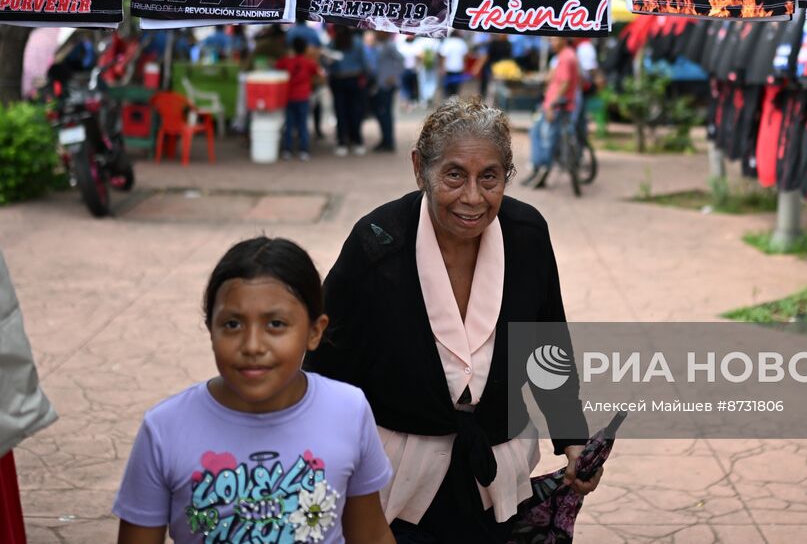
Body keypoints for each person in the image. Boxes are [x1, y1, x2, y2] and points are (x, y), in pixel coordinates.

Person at [306, 99, 598, 543]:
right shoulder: (377, 242)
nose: (473, 198)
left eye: (490, 177)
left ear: (507, 175)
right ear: (420, 168)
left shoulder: (527, 235)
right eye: (455, 174)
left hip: (497, 466)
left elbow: (546, 345)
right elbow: (326, 366)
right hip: (394, 473)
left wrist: (573, 436)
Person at [113, 236, 396, 544]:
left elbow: (370, 534)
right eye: (232, 325)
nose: (252, 346)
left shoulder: (348, 411)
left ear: (315, 331)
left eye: (275, 324)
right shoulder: (165, 428)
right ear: (211, 330)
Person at [524, 36, 582, 190]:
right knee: (536, 132)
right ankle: (538, 168)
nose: (552, 43)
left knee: (546, 139)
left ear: (564, 39)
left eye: (554, 40)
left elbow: (565, 82)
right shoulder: (562, 56)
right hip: (551, 102)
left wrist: (551, 105)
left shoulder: (567, 57)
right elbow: (555, 78)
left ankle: (543, 169)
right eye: (550, 40)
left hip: (555, 106)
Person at [329, 26, 373, 156]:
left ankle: (342, 142)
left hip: (338, 80)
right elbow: (365, 63)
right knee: (356, 111)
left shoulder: (333, 43)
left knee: (340, 111)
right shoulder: (358, 42)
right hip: (354, 80)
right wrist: (369, 77)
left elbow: (326, 63)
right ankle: (357, 141)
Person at [370, 32, 404, 152]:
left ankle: (388, 141)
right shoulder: (382, 45)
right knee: (383, 113)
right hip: (382, 84)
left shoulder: (389, 45)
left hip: (387, 85)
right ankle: (385, 140)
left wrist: (394, 76)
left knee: (385, 113)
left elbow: (401, 59)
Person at [438, 31, 470, 98]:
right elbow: (465, 56)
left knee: (447, 87)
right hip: (459, 68)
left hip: (448, 68)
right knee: (456, 87)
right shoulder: (462, 43)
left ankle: (447, 101)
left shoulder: (447, 42)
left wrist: (442, 67)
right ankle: (455, 101)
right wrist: (465, 66)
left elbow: (443, 56)